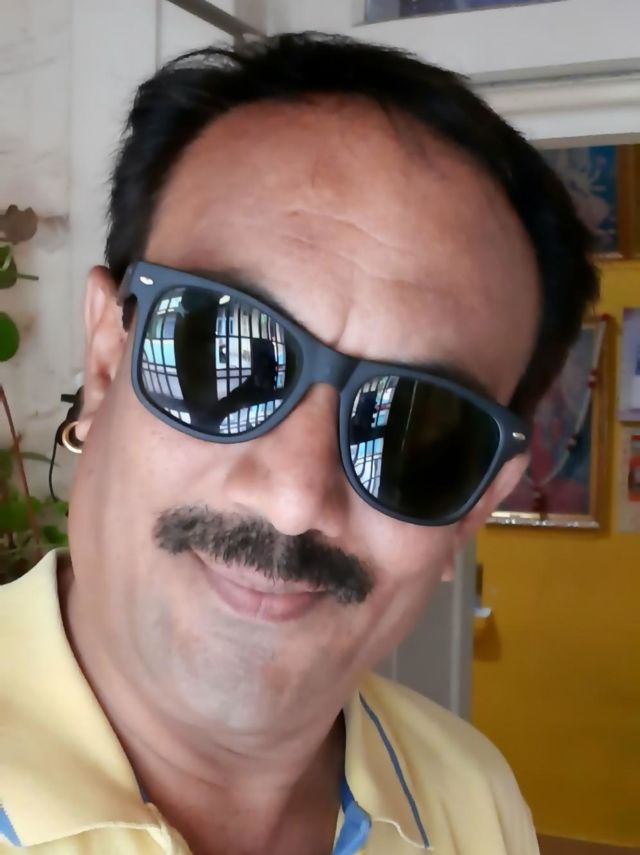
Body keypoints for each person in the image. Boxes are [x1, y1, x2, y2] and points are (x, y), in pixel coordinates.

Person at [0, 32, 597, 855]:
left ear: (473, 509)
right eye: (223, 348)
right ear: (105, 365)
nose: (294, 496)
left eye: (415, 424)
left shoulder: (474, 801)